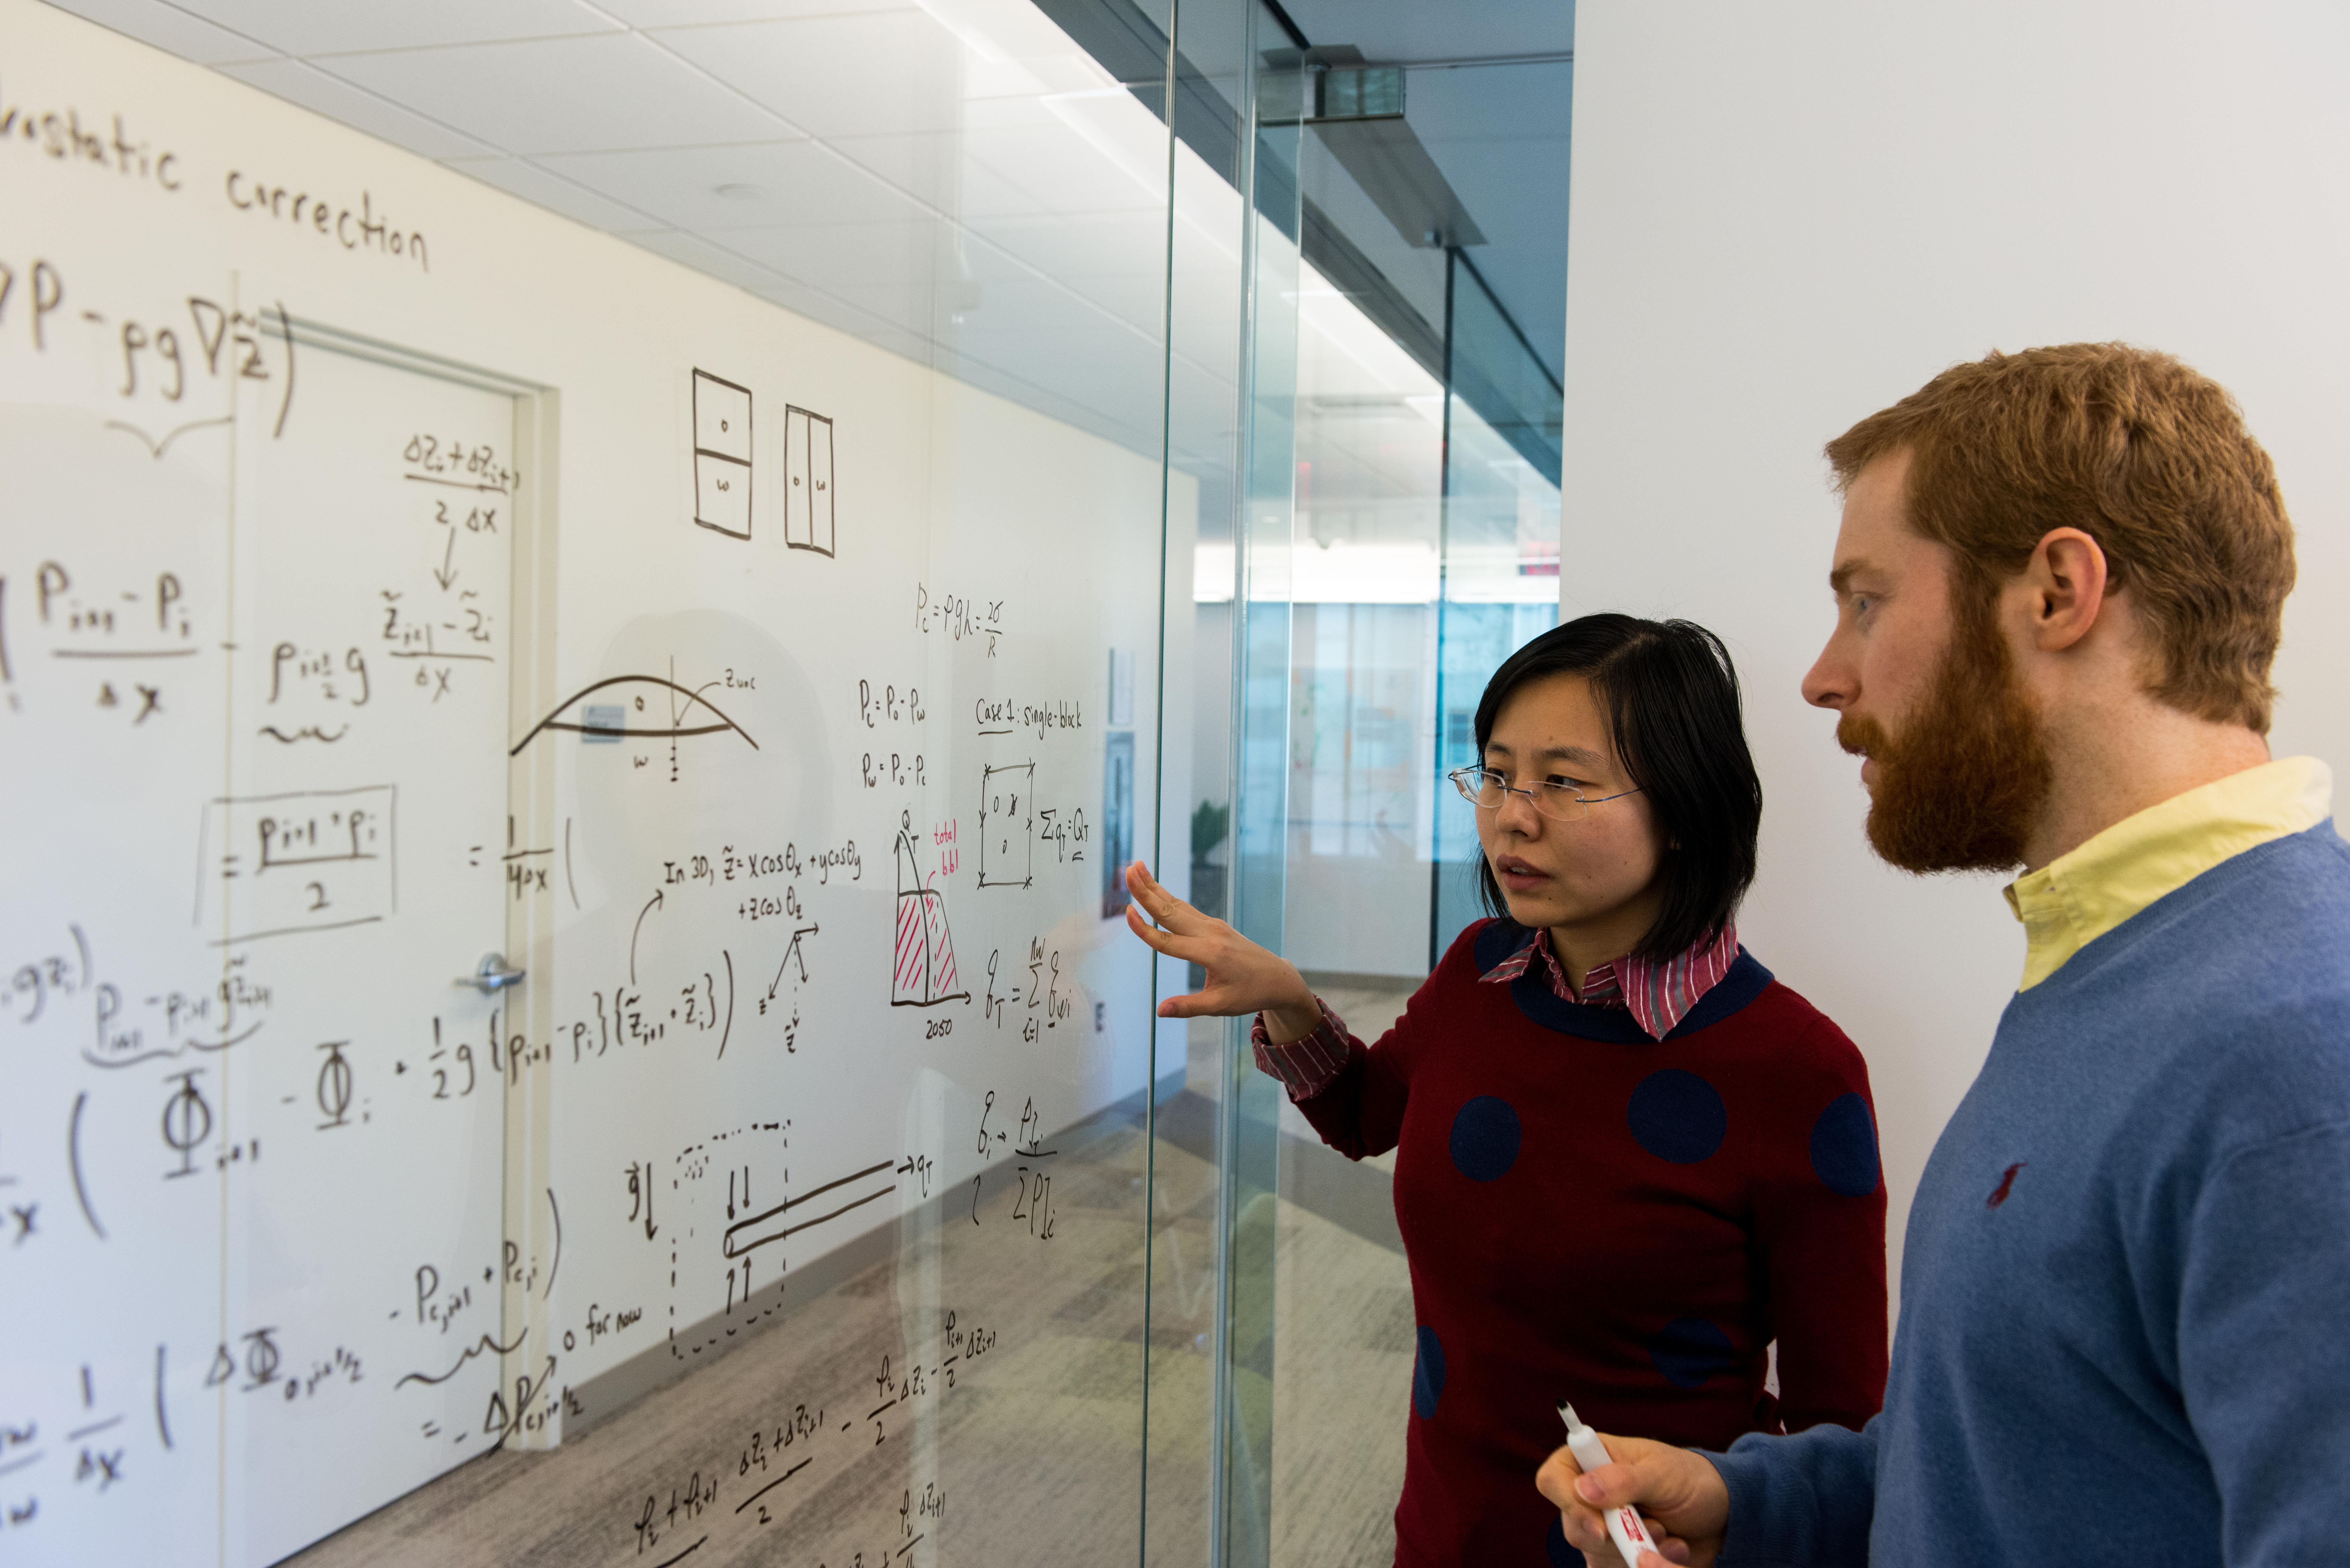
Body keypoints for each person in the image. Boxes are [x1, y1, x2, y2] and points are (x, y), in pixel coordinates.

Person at [1542, 343, 2350, 1567]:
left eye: (1866, 601)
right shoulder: (2114, 967)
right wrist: (1752, 1504)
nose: (1825, 676)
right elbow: (2022, 1457)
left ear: (2057, 591)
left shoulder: (2300, 1053)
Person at [1124, 614, 1890, 1567]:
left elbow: (1850, 1442)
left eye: (1564, 782)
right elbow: (1367, 1114)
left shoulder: (1796, 1068)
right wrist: (1287, 1001)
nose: (1512, 816)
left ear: (1688, 808)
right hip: (1444, 1531)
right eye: (1496, 773)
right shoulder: (1481, 973)